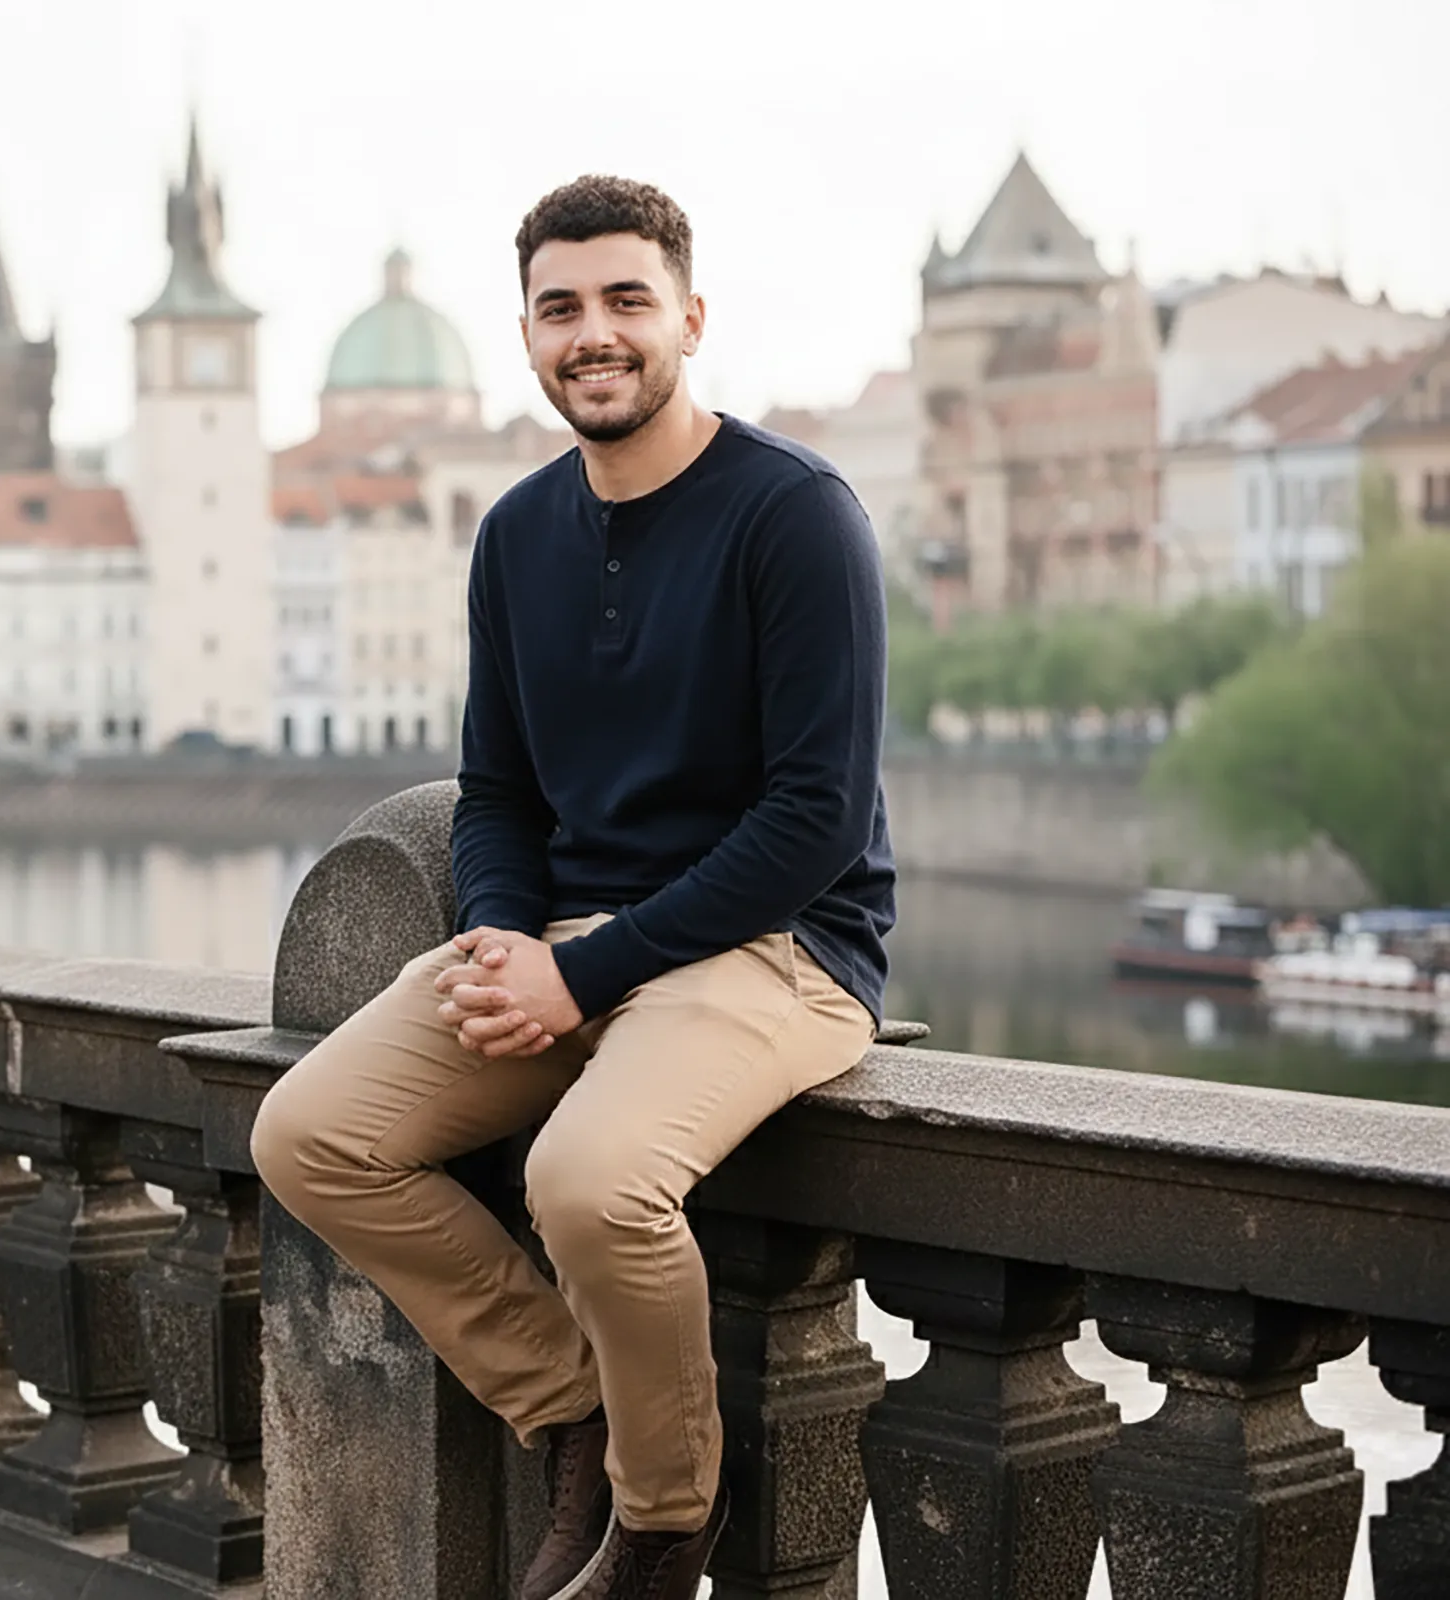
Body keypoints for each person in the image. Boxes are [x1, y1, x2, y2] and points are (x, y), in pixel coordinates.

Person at [249, 175, 895, 1600]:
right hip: (564, 939)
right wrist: (493, 933)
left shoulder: (797, 516)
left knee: (590, 1184)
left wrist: (581, 976)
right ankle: (574, 1409)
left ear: (688, 319)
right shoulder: (519, 533)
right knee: (311, 1136)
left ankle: (664, 1525)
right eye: (560, 308)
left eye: (623, 302)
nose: (591, 334)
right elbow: (500, 791)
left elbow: (816, 818)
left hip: (780, 949)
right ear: (528, 335)